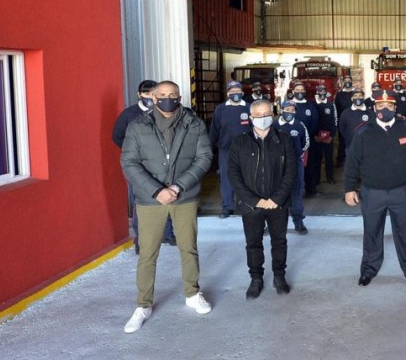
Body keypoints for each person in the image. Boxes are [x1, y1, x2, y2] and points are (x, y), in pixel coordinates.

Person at [120, 81, 213, 333]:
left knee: (188, 248)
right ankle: (143, 304)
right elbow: (129, 161)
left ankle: (192, 294)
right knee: (148, 253)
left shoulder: (194, 124)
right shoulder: (138, 125)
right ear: (153, 97)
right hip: (151, 200)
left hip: (184, 197)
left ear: (179, 97)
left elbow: (204, 157)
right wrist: (157, 190)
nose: (167, 99)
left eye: (172, 95)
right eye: (161, 95)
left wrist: (177, 187)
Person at [344, 90, 406, 287]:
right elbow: (352, 163)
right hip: (372, 192)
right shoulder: (363, 131)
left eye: (389, 106)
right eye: (381, 106)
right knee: (372, 232)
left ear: (395, 108)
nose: (385, 109)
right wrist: (349, 188)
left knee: (405, 232)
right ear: (374, 108)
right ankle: (368, 270)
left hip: (402, 191)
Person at [227, 99, 297, 300]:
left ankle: (279, 276)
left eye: (266, 114)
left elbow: (291, 171)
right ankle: (256, 278)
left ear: (272, 115)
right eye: (258, 115)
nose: (263, 118)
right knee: (253, 243)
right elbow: (233, 173)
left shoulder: (284, 140)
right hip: (251, 205)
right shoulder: (239, 141)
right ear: (251, 118)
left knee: (279, 241)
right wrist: (253, 200)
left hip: (278, 204)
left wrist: (278, 198)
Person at [112, 79, 174, 253]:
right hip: (138, 165)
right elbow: (117, 136)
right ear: (139, 95)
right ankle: (141, 239)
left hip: (161, 162)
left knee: (167, 195)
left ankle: (167, 234)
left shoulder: (164, 111)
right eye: (146, 93)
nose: (150, 97)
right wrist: (132, 153)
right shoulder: (129, 114)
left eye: (153, 93)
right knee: (139, 200)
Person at [209, 81, 251, 218]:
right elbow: (214, 130)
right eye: (232, 92)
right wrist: (210, 147)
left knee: (246, 178)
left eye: (237, 91)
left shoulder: (249, 108)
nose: (235, 94)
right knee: (226, 178)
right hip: (226, 149)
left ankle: (245, 204)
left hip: (246, 149)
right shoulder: (221, 109)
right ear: (227, 93)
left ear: (242, 92)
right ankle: (228, 207)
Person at [274, 100, 310, 234]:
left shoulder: (299, 125)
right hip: (277, 165)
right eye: (286, 109)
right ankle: (273, 223)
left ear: (295, 111)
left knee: (296, 192)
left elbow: (305, 143)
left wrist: (297, 154)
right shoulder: (274, 125)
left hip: (295, 164)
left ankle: (298, 221)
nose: (289, 112)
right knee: (275, 193)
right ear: (281, 110)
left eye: (292, 110)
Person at [289, 82, 320, 198]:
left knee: (309, 165)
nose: (300, 92)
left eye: (302, 89)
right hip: (291, 142)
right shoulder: (289, 105)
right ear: (293, 92)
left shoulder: (310, 105)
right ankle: (294, 191)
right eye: (297, 89)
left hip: (308, 142)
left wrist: (307, 136)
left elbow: (315, 121)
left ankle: (311, 189)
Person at [311, 84, 337, 185]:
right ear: (317, 92)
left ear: (326, 92)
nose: (322, 93)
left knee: (329, 159)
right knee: (316, 159)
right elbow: (311, 121)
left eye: (324, 91)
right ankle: (316, 180)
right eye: (320, 91)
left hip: (328, 137)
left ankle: (330, 178)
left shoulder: (331, 105)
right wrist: (314, 136)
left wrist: (331, 136)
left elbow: (334, 121)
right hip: (316, 138)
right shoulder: (312, 104)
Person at [334, 77, 355, 167]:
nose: (347, 82)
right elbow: (336, 107)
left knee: (354, 140)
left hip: (354, 120)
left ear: (352, 82)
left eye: (349, 81)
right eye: (346, 81)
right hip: (342, 120)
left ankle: (353, 159)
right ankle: (340, 159)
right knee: (342, 140)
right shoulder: (339, 94)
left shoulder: (355, 93)